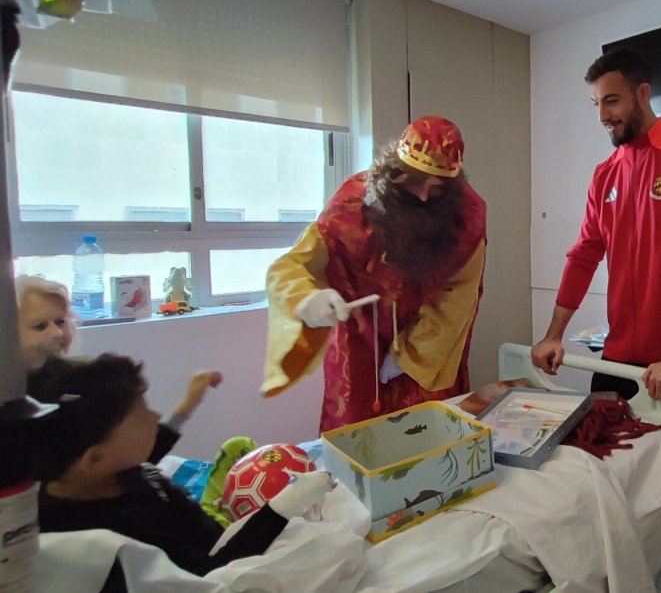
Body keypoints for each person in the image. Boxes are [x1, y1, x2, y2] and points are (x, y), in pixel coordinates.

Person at [530, 46, 661, 592]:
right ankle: (616, 568)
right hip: (619, 355)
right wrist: (553, 335)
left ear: (643, 93)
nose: (603, 116)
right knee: (605, 467)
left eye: (611, 100)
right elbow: (584, 252)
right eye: (596, 103)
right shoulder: (606, 173)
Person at [264, 115, 487, 432]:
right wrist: (307, 298)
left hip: (427, 338)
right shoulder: (351, 202)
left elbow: (457, 297)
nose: (424, 196)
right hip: (357, 333)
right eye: (414, 182)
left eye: (437, 188)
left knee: (425, 430)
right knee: (354, 429)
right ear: (394, 171)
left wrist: (407, 356)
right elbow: (292, 266)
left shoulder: (466, 215)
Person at [29, 353, 334, 578]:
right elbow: (216, 570)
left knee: (237, 447)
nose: (156, 417)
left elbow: (149, 450)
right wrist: (287, 502)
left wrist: (188, 405)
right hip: (220, 558)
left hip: (210, 527)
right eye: (142, 414)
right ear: (94, 458)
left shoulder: (94, 474)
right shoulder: (122, 539)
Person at [15, 273, 221, 460]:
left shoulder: (80, 381)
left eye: (60, 322)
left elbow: (135, 456)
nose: (58, 334)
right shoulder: (22, 403)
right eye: (40, 326)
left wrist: (189, 404)